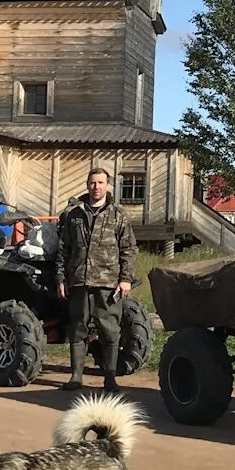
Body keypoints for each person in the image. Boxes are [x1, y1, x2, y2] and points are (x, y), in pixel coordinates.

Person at [54, 166, 137, 390]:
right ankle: (75, 377)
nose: (96, 187)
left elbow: (128, 249)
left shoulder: (118, 215)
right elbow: (64, 250)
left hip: (108, 283)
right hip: (80, 280)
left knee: (110, 330)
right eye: (92, 183)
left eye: (100, 183)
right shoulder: (75, 215)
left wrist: (125, 278)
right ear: (87, 185)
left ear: (107, 186)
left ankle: (110, 377)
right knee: (78, 329)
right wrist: (61, 279)